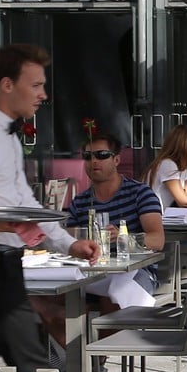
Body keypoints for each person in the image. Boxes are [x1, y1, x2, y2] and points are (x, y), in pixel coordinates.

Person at [0, 43, 101, 372]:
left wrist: (68, 244)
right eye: (36, 85)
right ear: (7, 85)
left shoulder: (5, 137)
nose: (44, 95)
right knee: (36, 364)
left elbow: (24, 201)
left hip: (1, 263)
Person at [64, 129, 166, 305]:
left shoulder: (140, 193)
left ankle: (105, 332)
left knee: (111, 296)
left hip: (138, 272)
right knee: (44, 296)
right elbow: (68, 239)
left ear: (116, 160)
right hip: (92, 271)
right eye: (87, 156)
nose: (94, 161)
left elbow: (157, 240)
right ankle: (78, 331)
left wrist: (123, 238)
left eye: (102, 155)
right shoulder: (80, 202)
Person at [144, 124, 187, 211]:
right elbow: (184, 202)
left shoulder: (181, 167)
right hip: (157, 219)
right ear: (184, 145)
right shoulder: (168, 164)